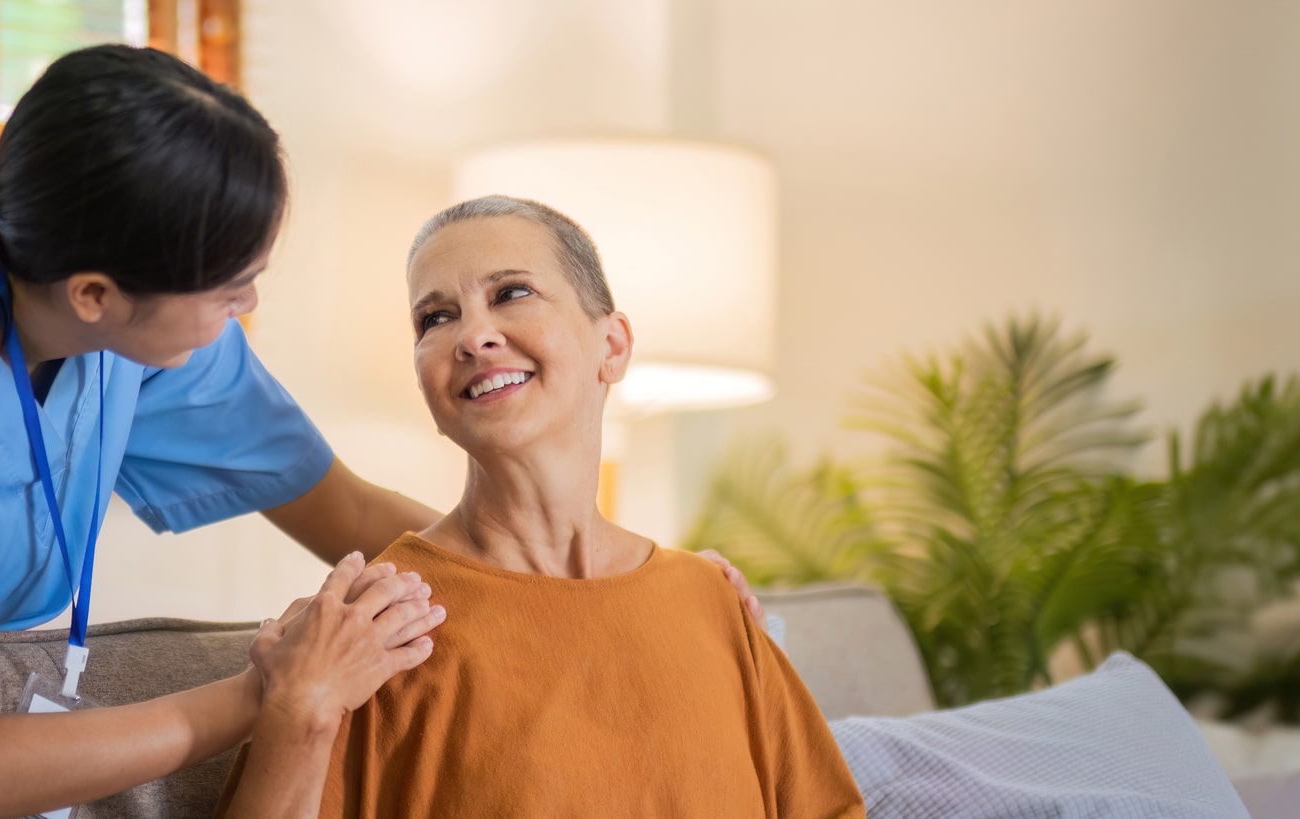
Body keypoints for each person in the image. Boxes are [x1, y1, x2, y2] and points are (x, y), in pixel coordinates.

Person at [0, 46, 762, 819]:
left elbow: (342, 513)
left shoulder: (132, 330)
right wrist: (272, 692)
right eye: (231, 286)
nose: (248, 308)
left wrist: (627, 586)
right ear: (95, 293)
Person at [215, 196, 865, 818]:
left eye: (511, 292)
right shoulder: (375, 625)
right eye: (435, 317)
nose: (473, 336)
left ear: (611, 347)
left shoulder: (713, 599)